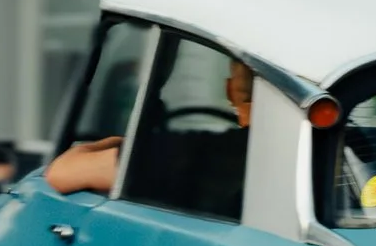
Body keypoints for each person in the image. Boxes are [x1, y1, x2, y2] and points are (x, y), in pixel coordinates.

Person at [44, 59, 255, 197]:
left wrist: (117, 143)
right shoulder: (264, 160)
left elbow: (62, 173)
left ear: (229, 90)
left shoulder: (194, 154)